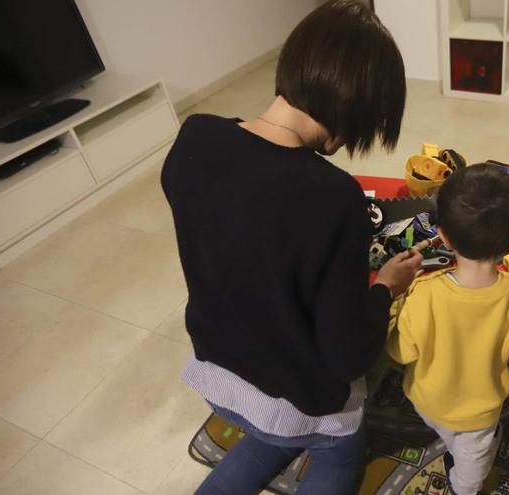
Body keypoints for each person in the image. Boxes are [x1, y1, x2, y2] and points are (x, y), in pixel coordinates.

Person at [161, 2, 422, 494]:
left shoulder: (194, 137)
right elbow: (347, 357)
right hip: (299, 391)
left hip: (220, 373)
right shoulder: (332, 197)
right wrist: (387, 286)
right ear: (353, 111)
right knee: (342, 450)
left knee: (268, 436)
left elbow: (243, 234)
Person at [386, 164, 509, 495]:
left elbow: (399, 351)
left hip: (425, 403)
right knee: (471, 470)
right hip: (478, 417)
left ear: (445, 238)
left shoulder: (422, 292)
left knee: (454, 441)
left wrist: (396, 304)